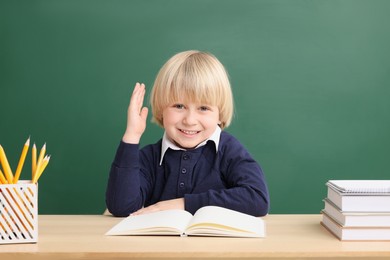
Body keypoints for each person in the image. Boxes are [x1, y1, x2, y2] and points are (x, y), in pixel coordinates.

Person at [106, 50, 269, 217]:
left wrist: (183, 203)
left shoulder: (228, 150)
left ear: (219, 114)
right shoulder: (150, 158)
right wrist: (132, 136)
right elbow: (121, 207)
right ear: (162, 108)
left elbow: (257, 198)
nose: (190, 120)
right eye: (179, 106)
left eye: (203, 108)